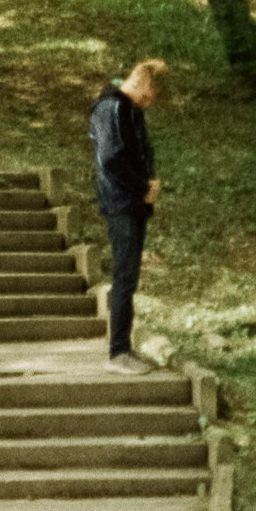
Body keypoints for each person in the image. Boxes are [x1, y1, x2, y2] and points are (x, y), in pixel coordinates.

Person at [88, 57, 166, 368]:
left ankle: (123, 349)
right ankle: (118, 352)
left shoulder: (130, 111)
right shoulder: (112, 108)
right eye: (148, 90)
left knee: (129, 278)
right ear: (136, 82)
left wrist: (149, 184)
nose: (150, 98)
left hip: (133, 201)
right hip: (121, 202)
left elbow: (140, 152)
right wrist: (140, 186)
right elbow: (112, 159)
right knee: (124, 277)